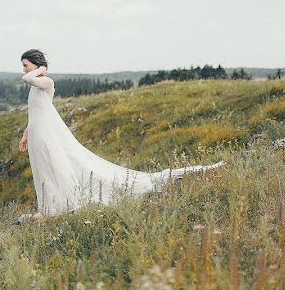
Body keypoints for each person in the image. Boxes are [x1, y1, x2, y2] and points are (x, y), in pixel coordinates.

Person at [17, 49, 225, 220]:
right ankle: (49, 206)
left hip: (46, 136)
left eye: (26, 64)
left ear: (36, 66)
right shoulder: (36, 86)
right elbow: (36, 112)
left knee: (52, 165)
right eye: (23, 66)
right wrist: (26, 134)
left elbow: (26, 78)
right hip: (37, 133)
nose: (24, 69)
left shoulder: (46, 82)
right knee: (42, 168)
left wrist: (41, 70)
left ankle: (59, 205)